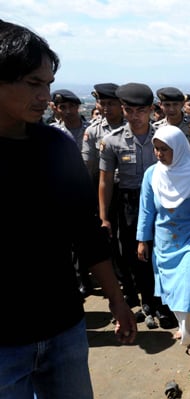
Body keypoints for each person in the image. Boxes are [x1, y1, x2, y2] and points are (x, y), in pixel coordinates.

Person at [0, 18, 136, 398]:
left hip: (63, 331)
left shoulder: (56, 147)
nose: (46, 96)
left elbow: (86, 232)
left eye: (48, 84)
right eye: (33, 83)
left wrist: (117, 300)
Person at [99, 82, 176, 329]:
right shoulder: (113, 140)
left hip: (162, 200)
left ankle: (164, 304)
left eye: (140, 110)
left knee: (162, 252)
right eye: (129, 110)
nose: (135, 116)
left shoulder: (164, 136)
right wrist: (104, 216)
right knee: (137, 255)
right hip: (130, 203)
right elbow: (105, 181)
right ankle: (147, 303)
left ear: (152, 110)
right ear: (123, 110)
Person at [136, 125, 190, 360]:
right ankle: (186, 328)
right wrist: (143, 240)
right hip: (164, 242)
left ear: (179, 149)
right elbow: (147, 209)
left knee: (188, 288)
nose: (159, 154)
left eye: (164, 149)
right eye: (156, 149)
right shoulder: (152, 174)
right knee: (172, 290)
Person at [81, 82, 127, 299]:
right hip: (103, 190)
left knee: (127, 239)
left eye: (111, 103)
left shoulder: (133, 125)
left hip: (129, 190)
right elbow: (88, 167)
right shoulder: (93, 131)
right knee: (109, 237)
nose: (106, 108)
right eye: (103, 103)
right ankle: (119, 281)